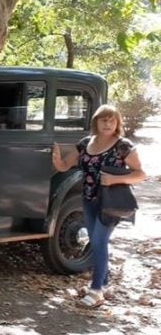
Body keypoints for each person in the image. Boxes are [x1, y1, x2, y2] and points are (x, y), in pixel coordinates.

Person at [52, 104, 146, 308]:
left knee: (98, 241)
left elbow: (140, 174)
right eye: (103, 119)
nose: (107, 123)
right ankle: (103, 284)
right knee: (96, 243)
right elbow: (65, 166)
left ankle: (96, 292)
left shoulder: (123, 146)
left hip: (110, 203)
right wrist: (57, 160)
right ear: (96, 121)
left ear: (117, 123)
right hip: (88, 200)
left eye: (112, 120)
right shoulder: (86, 143)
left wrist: (113, 180)